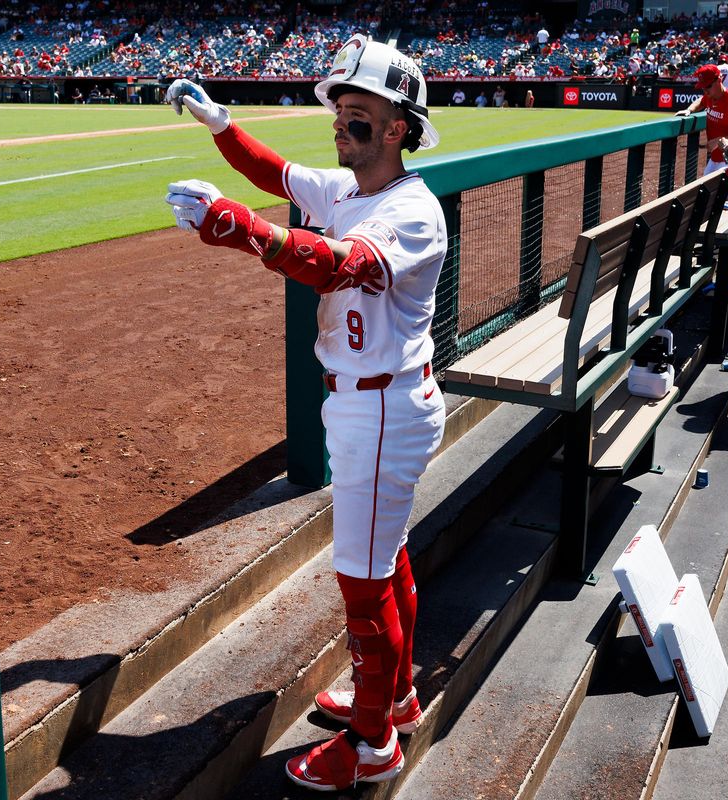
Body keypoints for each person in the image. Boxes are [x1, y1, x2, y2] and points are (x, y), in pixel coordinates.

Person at [162, 33, 445, 791]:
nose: (339, 125)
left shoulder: (412, 211)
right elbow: (276, 172)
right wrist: (221, 124)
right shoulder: (352, 189)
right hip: (371, 403)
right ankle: (401, 693)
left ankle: (373, 741)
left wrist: (240, 229)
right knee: (386, 563)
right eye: (340, 113)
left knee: (362, 580)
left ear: (397, 128)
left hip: (381, 409)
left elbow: (338, 266)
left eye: (357, 116)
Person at [676, 64, 728, 176]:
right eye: (702, 87)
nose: (705, 91)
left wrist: (719, 140)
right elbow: (701, 101)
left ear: (719, 80)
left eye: (708, 86)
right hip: (714, 159)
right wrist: (689, 110)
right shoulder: (709, 96)